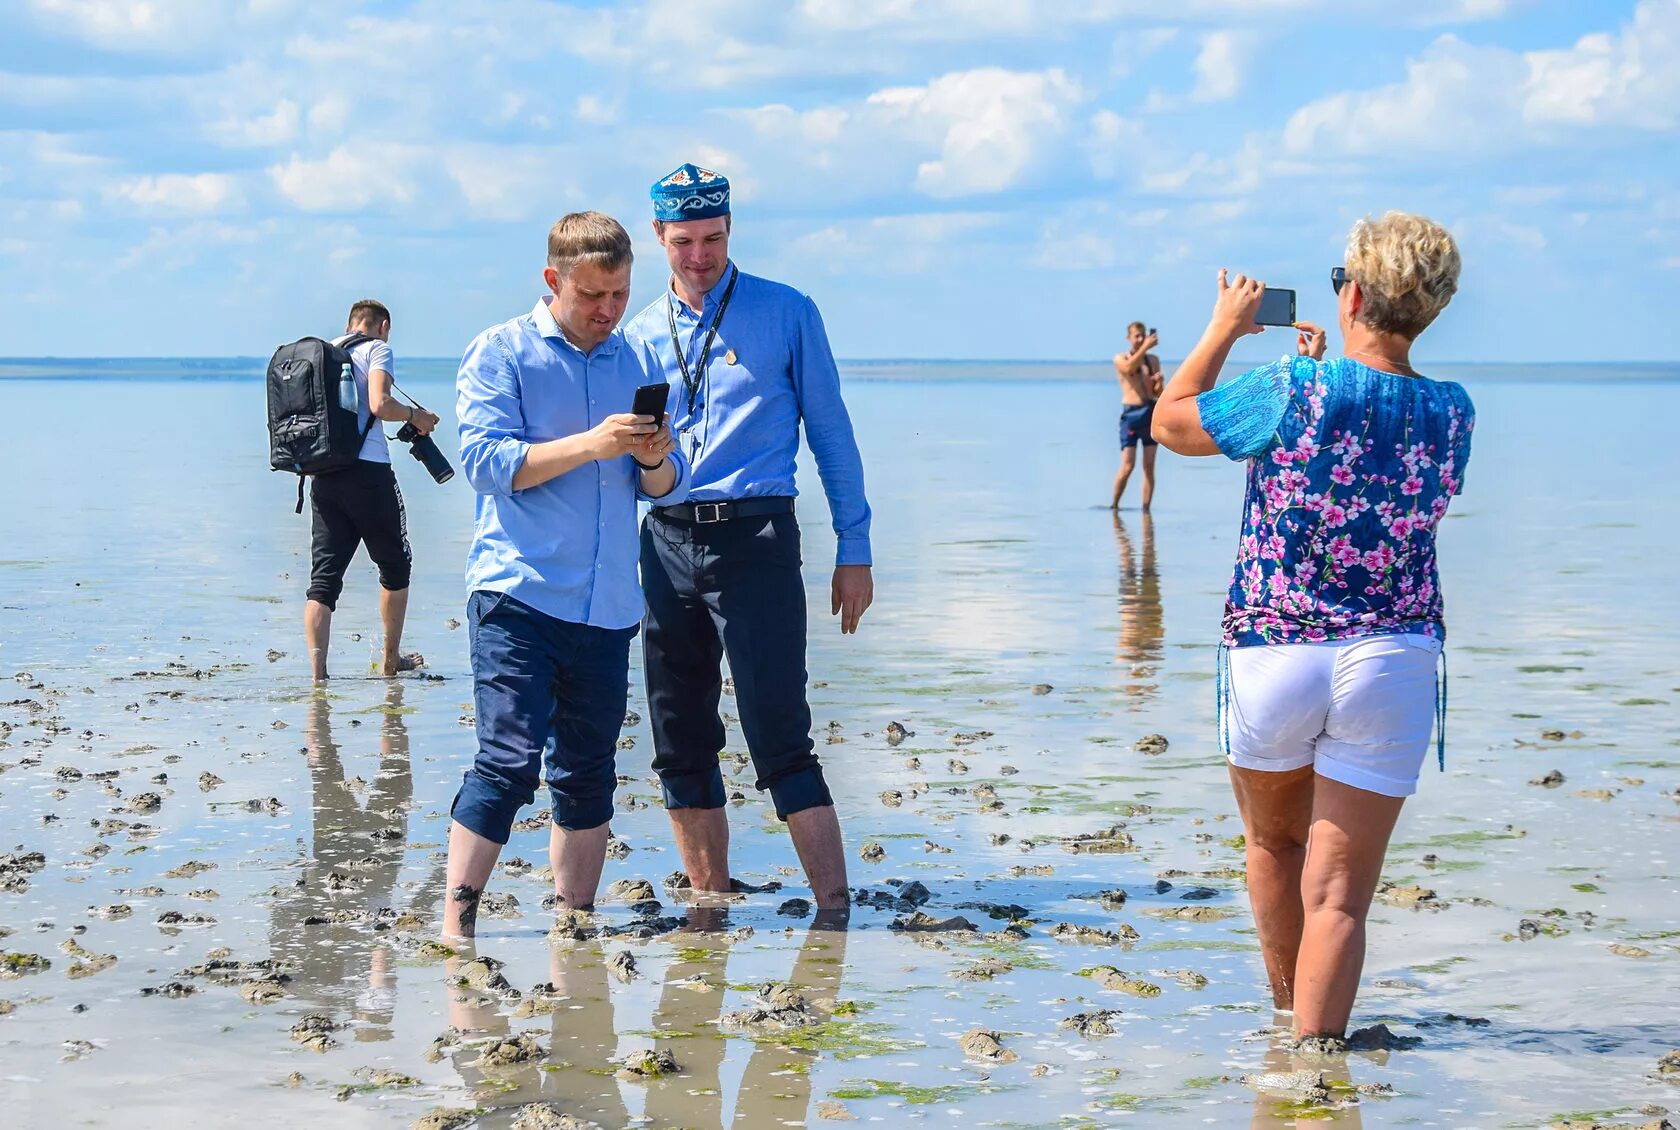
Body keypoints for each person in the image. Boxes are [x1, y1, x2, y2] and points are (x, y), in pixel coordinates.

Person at [1152, 212, 1475, 1044]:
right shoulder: (1454, 411)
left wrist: (1224, 327)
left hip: (1277, 649)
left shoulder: (1294, 389)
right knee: (1341, 897)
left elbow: (1171, 419)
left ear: (1355, 294)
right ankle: (1316, 1062)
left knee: (1273, 845)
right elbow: (1376, 467)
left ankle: (1284, 1015)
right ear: (1431, 309)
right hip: (1393, 657)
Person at [625, 163, 874, 912]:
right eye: (684, 242)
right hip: (664, 539)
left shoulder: (788, 311)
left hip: (758, 535)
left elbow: (831, 435)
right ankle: (710, 898)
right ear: (659, 237)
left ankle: (834, 908)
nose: (699, 256)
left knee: (778, 728)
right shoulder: (636, 332)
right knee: (678, 734)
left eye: (713, 239)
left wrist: (854, 547)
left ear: (731, 231)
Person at [442, 212, 689, 938]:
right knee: (509, 762)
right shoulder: (501, 353)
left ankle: (571, 922)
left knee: (587, 774)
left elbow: (663, 487)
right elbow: (486, 466)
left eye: (619, 293)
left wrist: (652, 459)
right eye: (592, 295)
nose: (609, 311)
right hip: (517, 593)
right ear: (554, 281)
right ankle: (457, 923)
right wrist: (592, 443)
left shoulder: (636, 360)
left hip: (609, 606)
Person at [304, 299, 440, 680]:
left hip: (325, 473)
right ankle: (390, 661)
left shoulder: (325, 353)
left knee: (323, 579)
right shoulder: (378, 349)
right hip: (369, 474)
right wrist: (417, 416)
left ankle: (318, 675)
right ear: (382, 326)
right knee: (395, 566)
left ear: (349, 324)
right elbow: (380, 404)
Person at [1109, 321, 1164, 510]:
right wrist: (1145, 347)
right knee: (1127, 466)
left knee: (1149, 467)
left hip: (1149, 412)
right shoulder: (1120, 358)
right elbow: (1129, 369)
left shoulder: (1152, 360)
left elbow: (1158, 393)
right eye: (1137, 336)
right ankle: (1114, 505)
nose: (1140, 340)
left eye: (1143, 335)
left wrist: (1158, 382)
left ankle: (1146, 510)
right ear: (1129, 338)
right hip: (1131, 414)